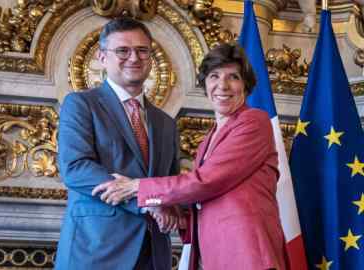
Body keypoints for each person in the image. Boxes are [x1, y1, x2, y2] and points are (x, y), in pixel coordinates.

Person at [92, 43, 290, 270]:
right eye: (214, 76)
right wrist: (172, 211)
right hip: (217, 253)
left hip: (248, 254)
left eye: (233, 77)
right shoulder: (209, 138)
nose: (222, 85)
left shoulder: (253, 121)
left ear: (245, 86)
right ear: (205, 85)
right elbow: (209, 199)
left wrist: (138, 187)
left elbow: (208, 181)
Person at [54, 17, 181, 270]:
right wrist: (146, 203)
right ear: (102, 57)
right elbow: (76, 168)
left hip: (154, 253)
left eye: (142, 50)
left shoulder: (166, 123)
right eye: (122, 50)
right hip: (96, 251)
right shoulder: (81, 105)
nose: (134, 58)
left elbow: (171, 184)